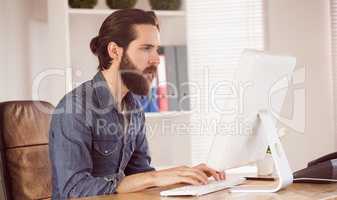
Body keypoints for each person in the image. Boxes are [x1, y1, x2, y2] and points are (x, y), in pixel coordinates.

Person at [49, 9, 225, 199]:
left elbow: (140, 175)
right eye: (146, 48)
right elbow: (73, 189)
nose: (157, 59)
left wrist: (181, 177)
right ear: (114, 51)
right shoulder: (75, 108)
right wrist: (155, 178)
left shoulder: (134, 107)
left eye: (156, 49)